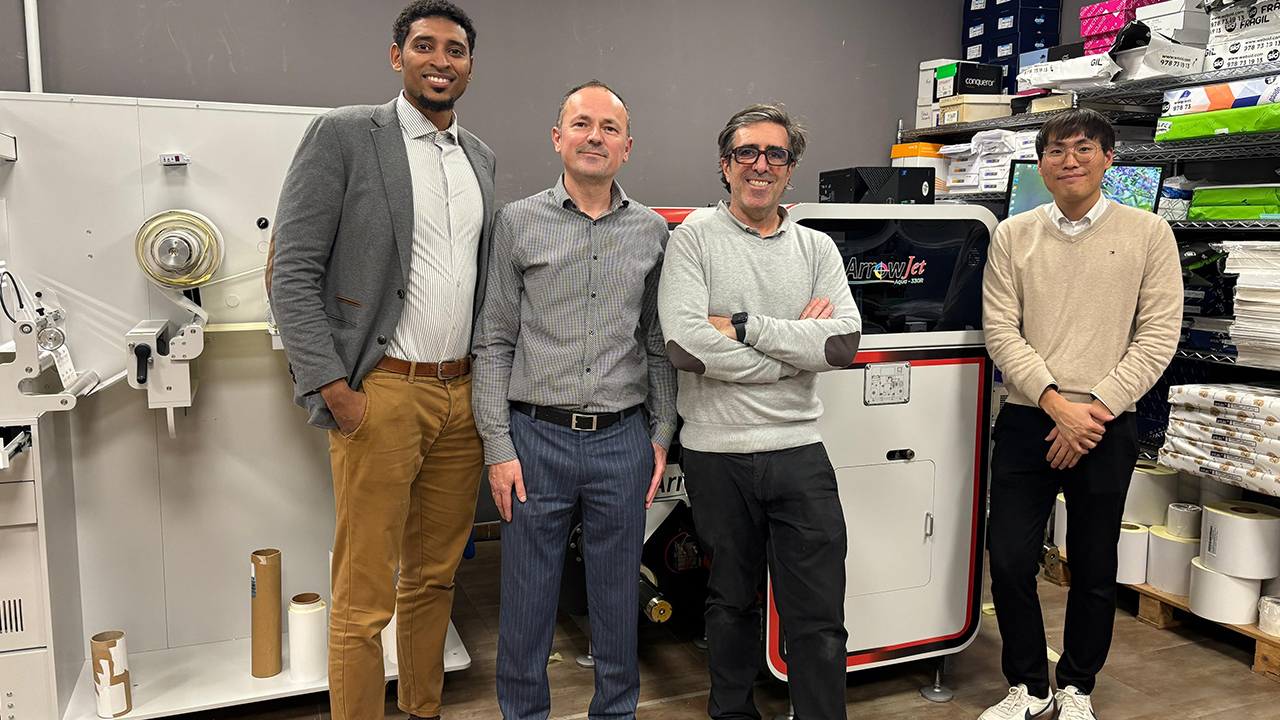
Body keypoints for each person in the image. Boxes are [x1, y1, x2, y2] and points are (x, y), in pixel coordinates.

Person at [269, 2, 494, 719]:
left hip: (460, 397)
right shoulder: (343, 136)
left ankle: (424, 708)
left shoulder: (479, 158)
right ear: (396, 56)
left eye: (454, 49)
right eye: (424, 46)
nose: (440, 59)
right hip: (382, 393)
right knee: (363, 597)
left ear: (469, 65)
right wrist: (335, 389)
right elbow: (291, 271)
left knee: (433, 581)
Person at [471, 80, 677, 720]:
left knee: (618, 601)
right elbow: (493, 341)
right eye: (582, 124)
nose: (595, 136)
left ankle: (616, 712)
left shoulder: (651, 232)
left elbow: (656, 340)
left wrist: (661, 434)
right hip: (536, 441)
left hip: (623, 440)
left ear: (627, 146)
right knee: (528, 600)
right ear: (558, 137)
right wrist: (499, 447)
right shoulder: (517, 223)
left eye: (609, 128)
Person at [657, 103, 862, 720]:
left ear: (791, 170)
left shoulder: (817, 248)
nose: (760, 165)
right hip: (717, 453)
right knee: (728, 603)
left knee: (819, 615)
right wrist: (791, 352)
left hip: (799, 451)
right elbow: (686, 346)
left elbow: (841, 344)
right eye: (747, 152)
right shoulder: (694, 237)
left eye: (775, 154)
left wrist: (743, 326)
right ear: (726, 165)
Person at [980, 108, 1181, 720]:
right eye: (1057, 150)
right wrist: (1055, 405)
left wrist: (1092, 411)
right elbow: (1000, 332)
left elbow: (1157, 336)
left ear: (1109, 158)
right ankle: (1027, 685)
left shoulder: (1150, 234)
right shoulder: (1012, 235)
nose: (1070, 160)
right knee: (1010, 555)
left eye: (1084, 148)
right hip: (1027, 414)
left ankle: (1077, 686)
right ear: (1041, 163)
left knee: (1094, 562)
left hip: (1105, 422)